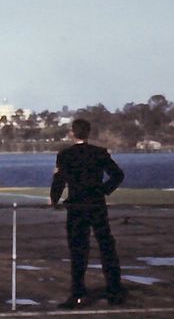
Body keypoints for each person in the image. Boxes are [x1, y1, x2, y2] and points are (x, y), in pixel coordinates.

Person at [49, 117, 126, 308]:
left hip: (76, 207)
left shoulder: (65, 155)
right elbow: (118, 175)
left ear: (72, 133)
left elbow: (59, 181)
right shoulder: (99, 153)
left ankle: (78, 294)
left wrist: (54, 199)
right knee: (107, 248)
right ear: (88, 133)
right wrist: (103, 190)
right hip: (96, 204)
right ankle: (114, 292)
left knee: (78, 251)